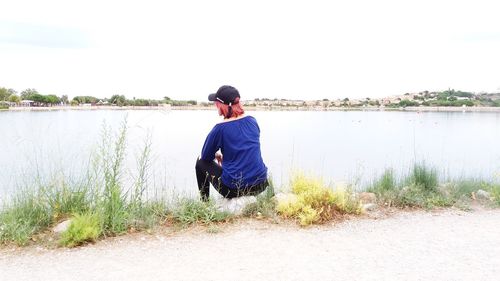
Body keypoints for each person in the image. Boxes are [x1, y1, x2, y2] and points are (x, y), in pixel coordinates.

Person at [195, 85, 268, 201]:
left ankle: (204, 203)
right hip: (261, 184)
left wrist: (215, 156)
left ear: (222, 105)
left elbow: (205, 157)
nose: (215, 105)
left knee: (200, 162)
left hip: (234, 190)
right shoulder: (252, 121)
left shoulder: (220, 129)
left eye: (216, 102)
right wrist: (228, 158)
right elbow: (245, 147)